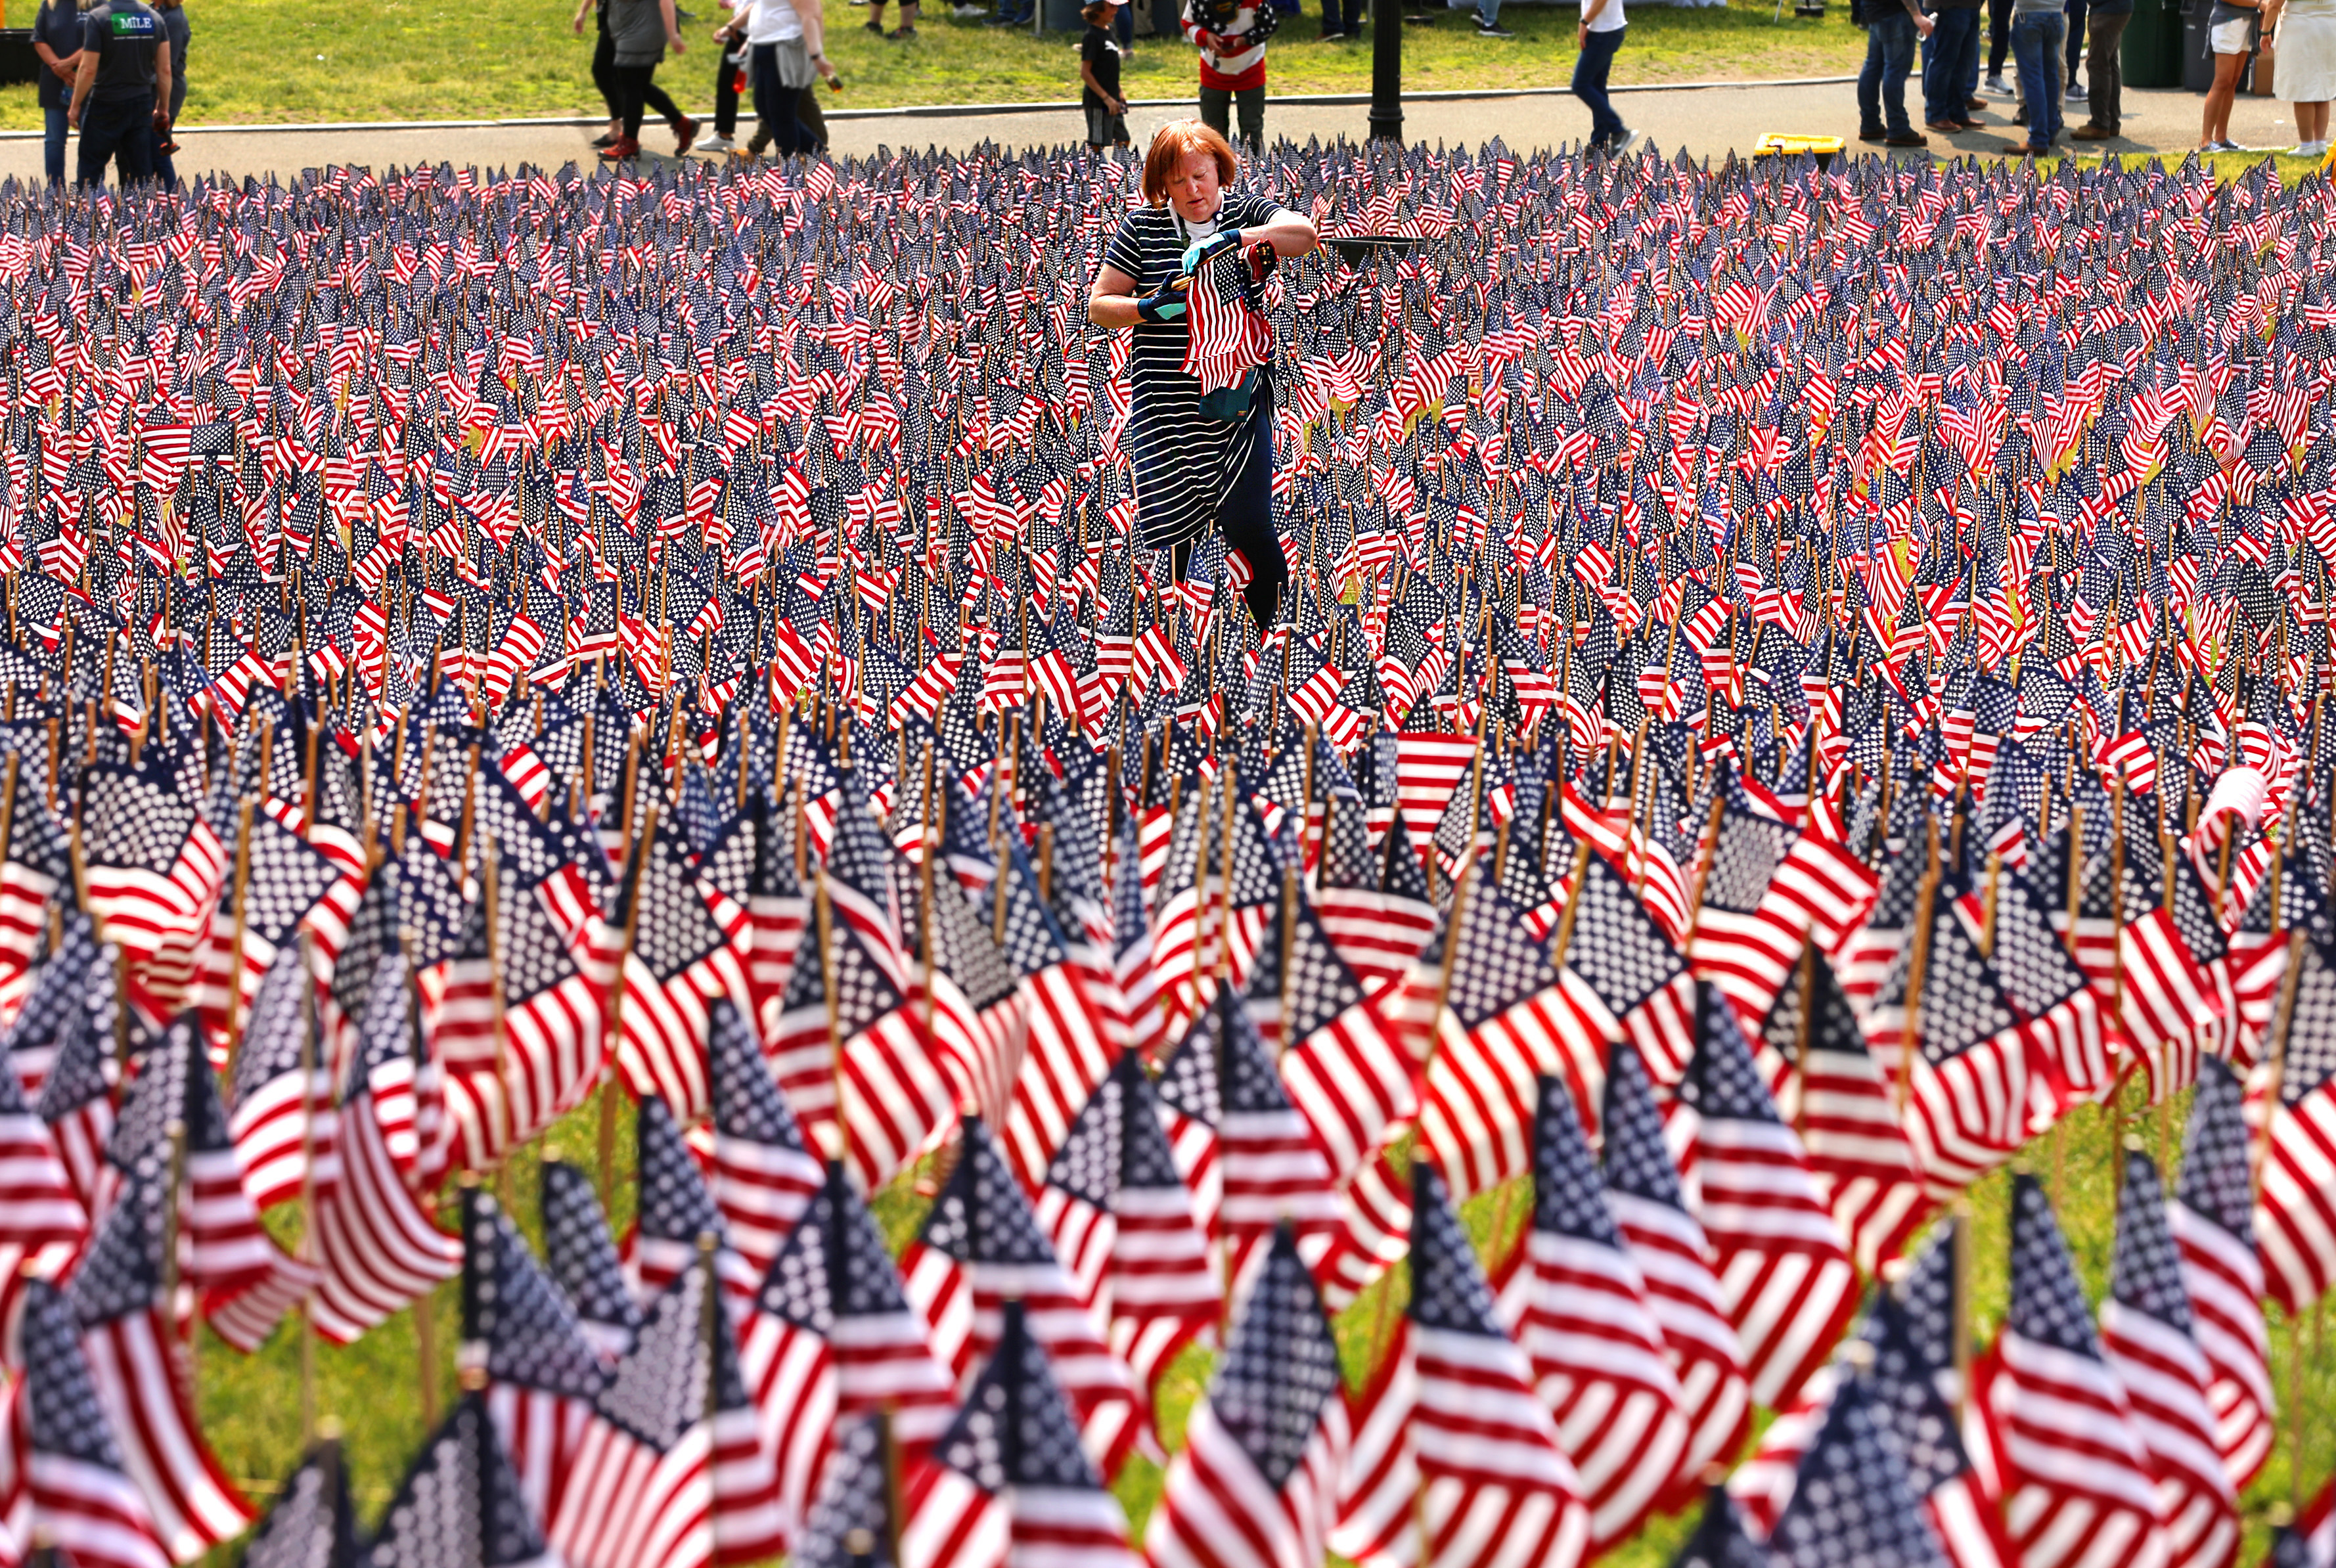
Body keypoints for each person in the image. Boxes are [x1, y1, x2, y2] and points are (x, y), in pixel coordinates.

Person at [1088, 121, 1318, 633]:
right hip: (1165, 406)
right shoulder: (1142, 229)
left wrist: (1237, 237)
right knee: (1177, 537)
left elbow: (1304, 234)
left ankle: (1278, 639)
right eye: (1178, 181)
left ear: (1220, 171)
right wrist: (1149, 307)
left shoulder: (1246, 211)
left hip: (1238, 400)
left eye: (1201, 175)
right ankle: (1185, 654)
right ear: (1162, 187)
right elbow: (1100, 306)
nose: (1192, 190)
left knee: (1251, 524)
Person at [67, 0, 171, 187]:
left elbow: (88, 69)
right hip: (141, 103)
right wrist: (163, 107)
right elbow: (165, 70)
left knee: (91, 170)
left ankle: (90, 213)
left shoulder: (99, 18)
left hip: (105, 103)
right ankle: (140, 214)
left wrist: (75, 105)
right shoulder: (154, 19)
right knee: (140, 174)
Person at [598, 0, 694, 160]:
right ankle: (682, 124)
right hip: (628, 30)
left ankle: (629, 143)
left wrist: (674, 35)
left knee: (631, 87)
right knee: (639, 85)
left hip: (642, 30)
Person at [1182, 0, 1274, 147]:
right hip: (1212, 72)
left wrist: (1245, 40)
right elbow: (1188, 23)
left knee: (1252, 132)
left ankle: (1251, 168)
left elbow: (1268, 26)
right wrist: (1205, 36)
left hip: (1251, 68)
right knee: (1213, 133)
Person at [1857, 0, 1935, 144]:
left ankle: (1870, 123)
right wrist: (1916, 14)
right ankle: (1898, 128)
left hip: (1875, 11)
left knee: (1872, 67)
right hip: (1896, 13)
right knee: (1895, 71)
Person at [2265, 0, 2335, 153]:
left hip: (2302, 28)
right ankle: (2320, 143)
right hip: (2330, 28)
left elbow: (2274, 4)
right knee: (2322, 87)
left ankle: (2307, 145)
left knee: (2303, 87)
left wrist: (2265, 31)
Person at [30, 0, 83, 185]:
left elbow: (99, 39)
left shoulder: (98, 4)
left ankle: (88, 191)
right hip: (55, 81)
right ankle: (56, 193)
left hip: (86, 81)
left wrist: (71, 64)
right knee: (54, 141)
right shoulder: (49, 4)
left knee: (91, 142)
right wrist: (59, 68)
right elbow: (39, 39)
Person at [1999, 0, 2063, 151]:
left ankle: (2038, 137)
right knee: (2050, 76)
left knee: (2033, 78)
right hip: (2055, 15)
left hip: (2029, 15)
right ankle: (2049, 130)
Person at [1575, 0, 1636, 152]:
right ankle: (1599, 144)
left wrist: (1584, 22)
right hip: (1604, 31)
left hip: (1604, 34)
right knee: (1596, 86)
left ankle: (1619, 132)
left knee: (1581, 85)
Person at [2199, 0, 2257, 149]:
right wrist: (2260, 4)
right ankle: (2206, 140)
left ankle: (2221, 137)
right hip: (2227, 23)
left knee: (2233, 81)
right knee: (2222, 81)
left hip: (2248, 21)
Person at [2067, 0, 2129, 137]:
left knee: (2098, 65)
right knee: (2110, 64)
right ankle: (2111, 122)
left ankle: (2099, 124)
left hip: (2107, 10)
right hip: (2117, 9)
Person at [1921, 0, 1983, 131]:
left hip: (1971, 6)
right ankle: (1935, 114)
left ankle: (1957, 112)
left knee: (1964, 62)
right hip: (1948, 6)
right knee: (1944, 61)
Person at [1082, 0, 1133, 146]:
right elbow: (1085, 73)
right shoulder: (1092, 36)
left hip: (1114, 98)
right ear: (1097, 9)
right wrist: (1106, 98)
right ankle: (1090, 168)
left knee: (1123, 139)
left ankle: (1119, 167)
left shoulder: (1109, 31)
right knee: (1097, 144)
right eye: (1111, 6)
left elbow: (1111, 68)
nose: (1116, 10)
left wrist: (1119, 92)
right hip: (1098, 101)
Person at [700, 20, 748, 152]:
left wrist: (730, 27)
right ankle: (724, 135)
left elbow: (753, 6)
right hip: (741, 33)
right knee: (727, 82)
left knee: (771, 92)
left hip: (755, 34)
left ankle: (800, 141)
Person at [152, 0, 186, 187]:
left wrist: (159, 105)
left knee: (157, 149)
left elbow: (167, 66)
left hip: (167, 90)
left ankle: (172, 202)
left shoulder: (174, 19)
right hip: (153, 88)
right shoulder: (152, 10)